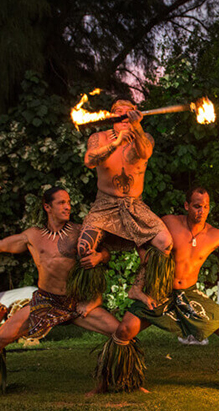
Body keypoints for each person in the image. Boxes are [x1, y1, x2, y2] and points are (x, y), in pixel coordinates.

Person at [93, 186, 219, 394]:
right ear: (187, 206)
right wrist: (144, 257)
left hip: (189, 294)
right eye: (196, 206)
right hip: (160, 291)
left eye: (205, 207)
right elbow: (139, 234)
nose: (201, 211)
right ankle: (105, 384)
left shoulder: (215, 235)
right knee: (124, 330)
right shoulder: (169, 223)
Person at [0, 187, 122, 397]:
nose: (68, 207)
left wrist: (99, 257)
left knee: (121, 333)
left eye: (68, 202)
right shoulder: (33, 236)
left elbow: (105, 251)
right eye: (61, 203)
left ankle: (114, 384)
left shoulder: (79, 231)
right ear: (47, 207)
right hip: (45, 302)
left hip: (76, 302)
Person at [69, 100, 174, 307]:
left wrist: (137, 128)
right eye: (119, 112)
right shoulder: (98, 138)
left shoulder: (144, 138)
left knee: (164, 243)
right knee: (84, 248)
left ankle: (138, 289)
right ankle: (93, 297)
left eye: (129, 112)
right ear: (111, 116)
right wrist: (116, 143)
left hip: (134, 205)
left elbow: (145, 153)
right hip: (104, 205)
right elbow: (90, 161)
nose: (124, 115)